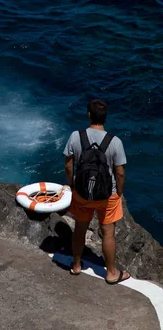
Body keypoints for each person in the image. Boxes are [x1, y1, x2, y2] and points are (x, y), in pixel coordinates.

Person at [63, 99, 131, 284]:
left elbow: (69, 165)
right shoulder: (115, 142)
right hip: (107, 195)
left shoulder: (76, 136)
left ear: (89, 115)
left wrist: (72, 185)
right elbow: (120, 172)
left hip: (82, 193)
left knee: (80, 229)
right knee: (108, 233)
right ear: (105, 118)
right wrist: (119, 192)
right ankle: (111, 273)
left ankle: (76, 266)